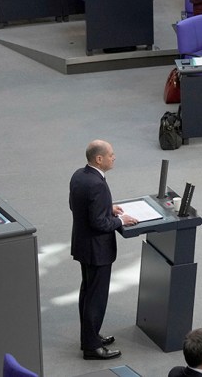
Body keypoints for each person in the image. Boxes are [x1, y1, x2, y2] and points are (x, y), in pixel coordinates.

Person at [69, 140, 138, 360]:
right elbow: (99, 223)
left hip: (83, 246)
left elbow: (78, 205)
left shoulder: (79, 175)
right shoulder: (97, 184)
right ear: (99, 159)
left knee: (87, 293)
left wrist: (107, 208)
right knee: (96, 299)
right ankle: (92, 347)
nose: (114, 157)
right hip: (97, 250)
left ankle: (89, 337)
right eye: (111, 154)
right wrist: (120, 221)